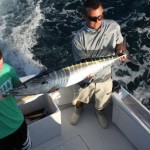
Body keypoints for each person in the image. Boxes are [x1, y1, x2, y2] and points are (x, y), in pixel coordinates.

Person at [70, 0, 127, 129]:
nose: (97, 21)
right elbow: (83, 65)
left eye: (100, 17)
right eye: (92, 18)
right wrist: (87, 75)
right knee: (80, 99)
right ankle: (78, 110)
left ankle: (99, 112)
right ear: (84, 17)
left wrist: (120, 50)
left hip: (106, 76)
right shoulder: (78, 39)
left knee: (102, 101)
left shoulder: (113, 26)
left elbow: (120, 42)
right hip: (85, 77)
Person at [0, 49, 32, 150]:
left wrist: (48, 87)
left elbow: (20, 87)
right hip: (2, 135)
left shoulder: (8, 69)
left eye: (1, 64)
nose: (0, 69)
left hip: (18, 122)